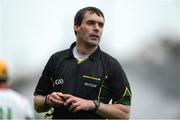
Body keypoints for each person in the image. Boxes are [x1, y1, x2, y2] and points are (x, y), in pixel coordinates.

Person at [34, 6, 132, 119]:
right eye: (91, 23)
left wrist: (92, 105)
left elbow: (124, 114)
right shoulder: (56, 59)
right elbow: (37, 103)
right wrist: (48, 100)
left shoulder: (111, 65)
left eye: (101, 25)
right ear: (76, 26)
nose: (97, 28)